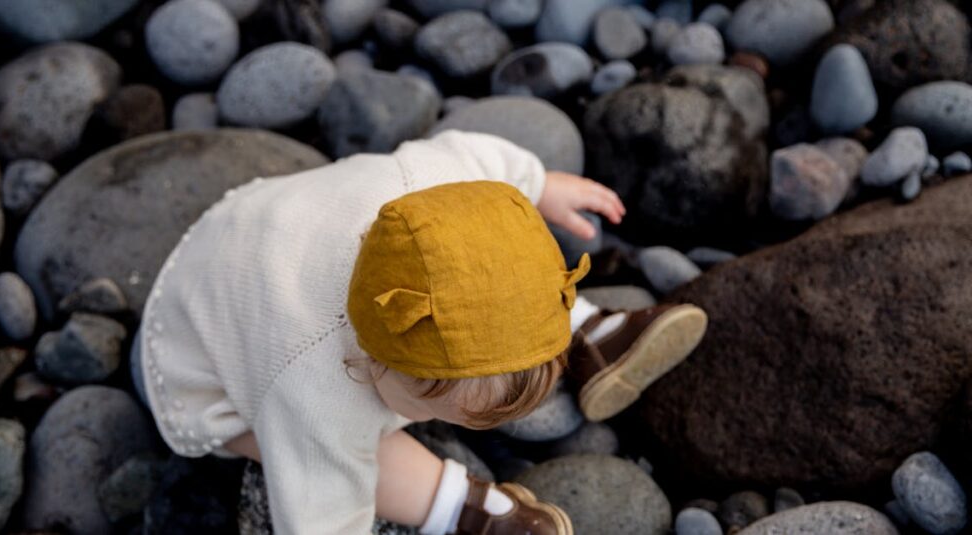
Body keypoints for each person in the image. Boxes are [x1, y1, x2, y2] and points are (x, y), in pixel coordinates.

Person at [131, 129, 708, 535]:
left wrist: (540, 183)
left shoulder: (436, 185)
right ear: (376, 363)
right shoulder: (314, 384)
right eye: (440, 413)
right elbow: (320, 507)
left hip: (280, 219)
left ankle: (589, 331)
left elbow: (479, 156)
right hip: (199, 346)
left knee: (501, 276)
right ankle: (471, 508)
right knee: (353, 451)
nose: (437, 423)